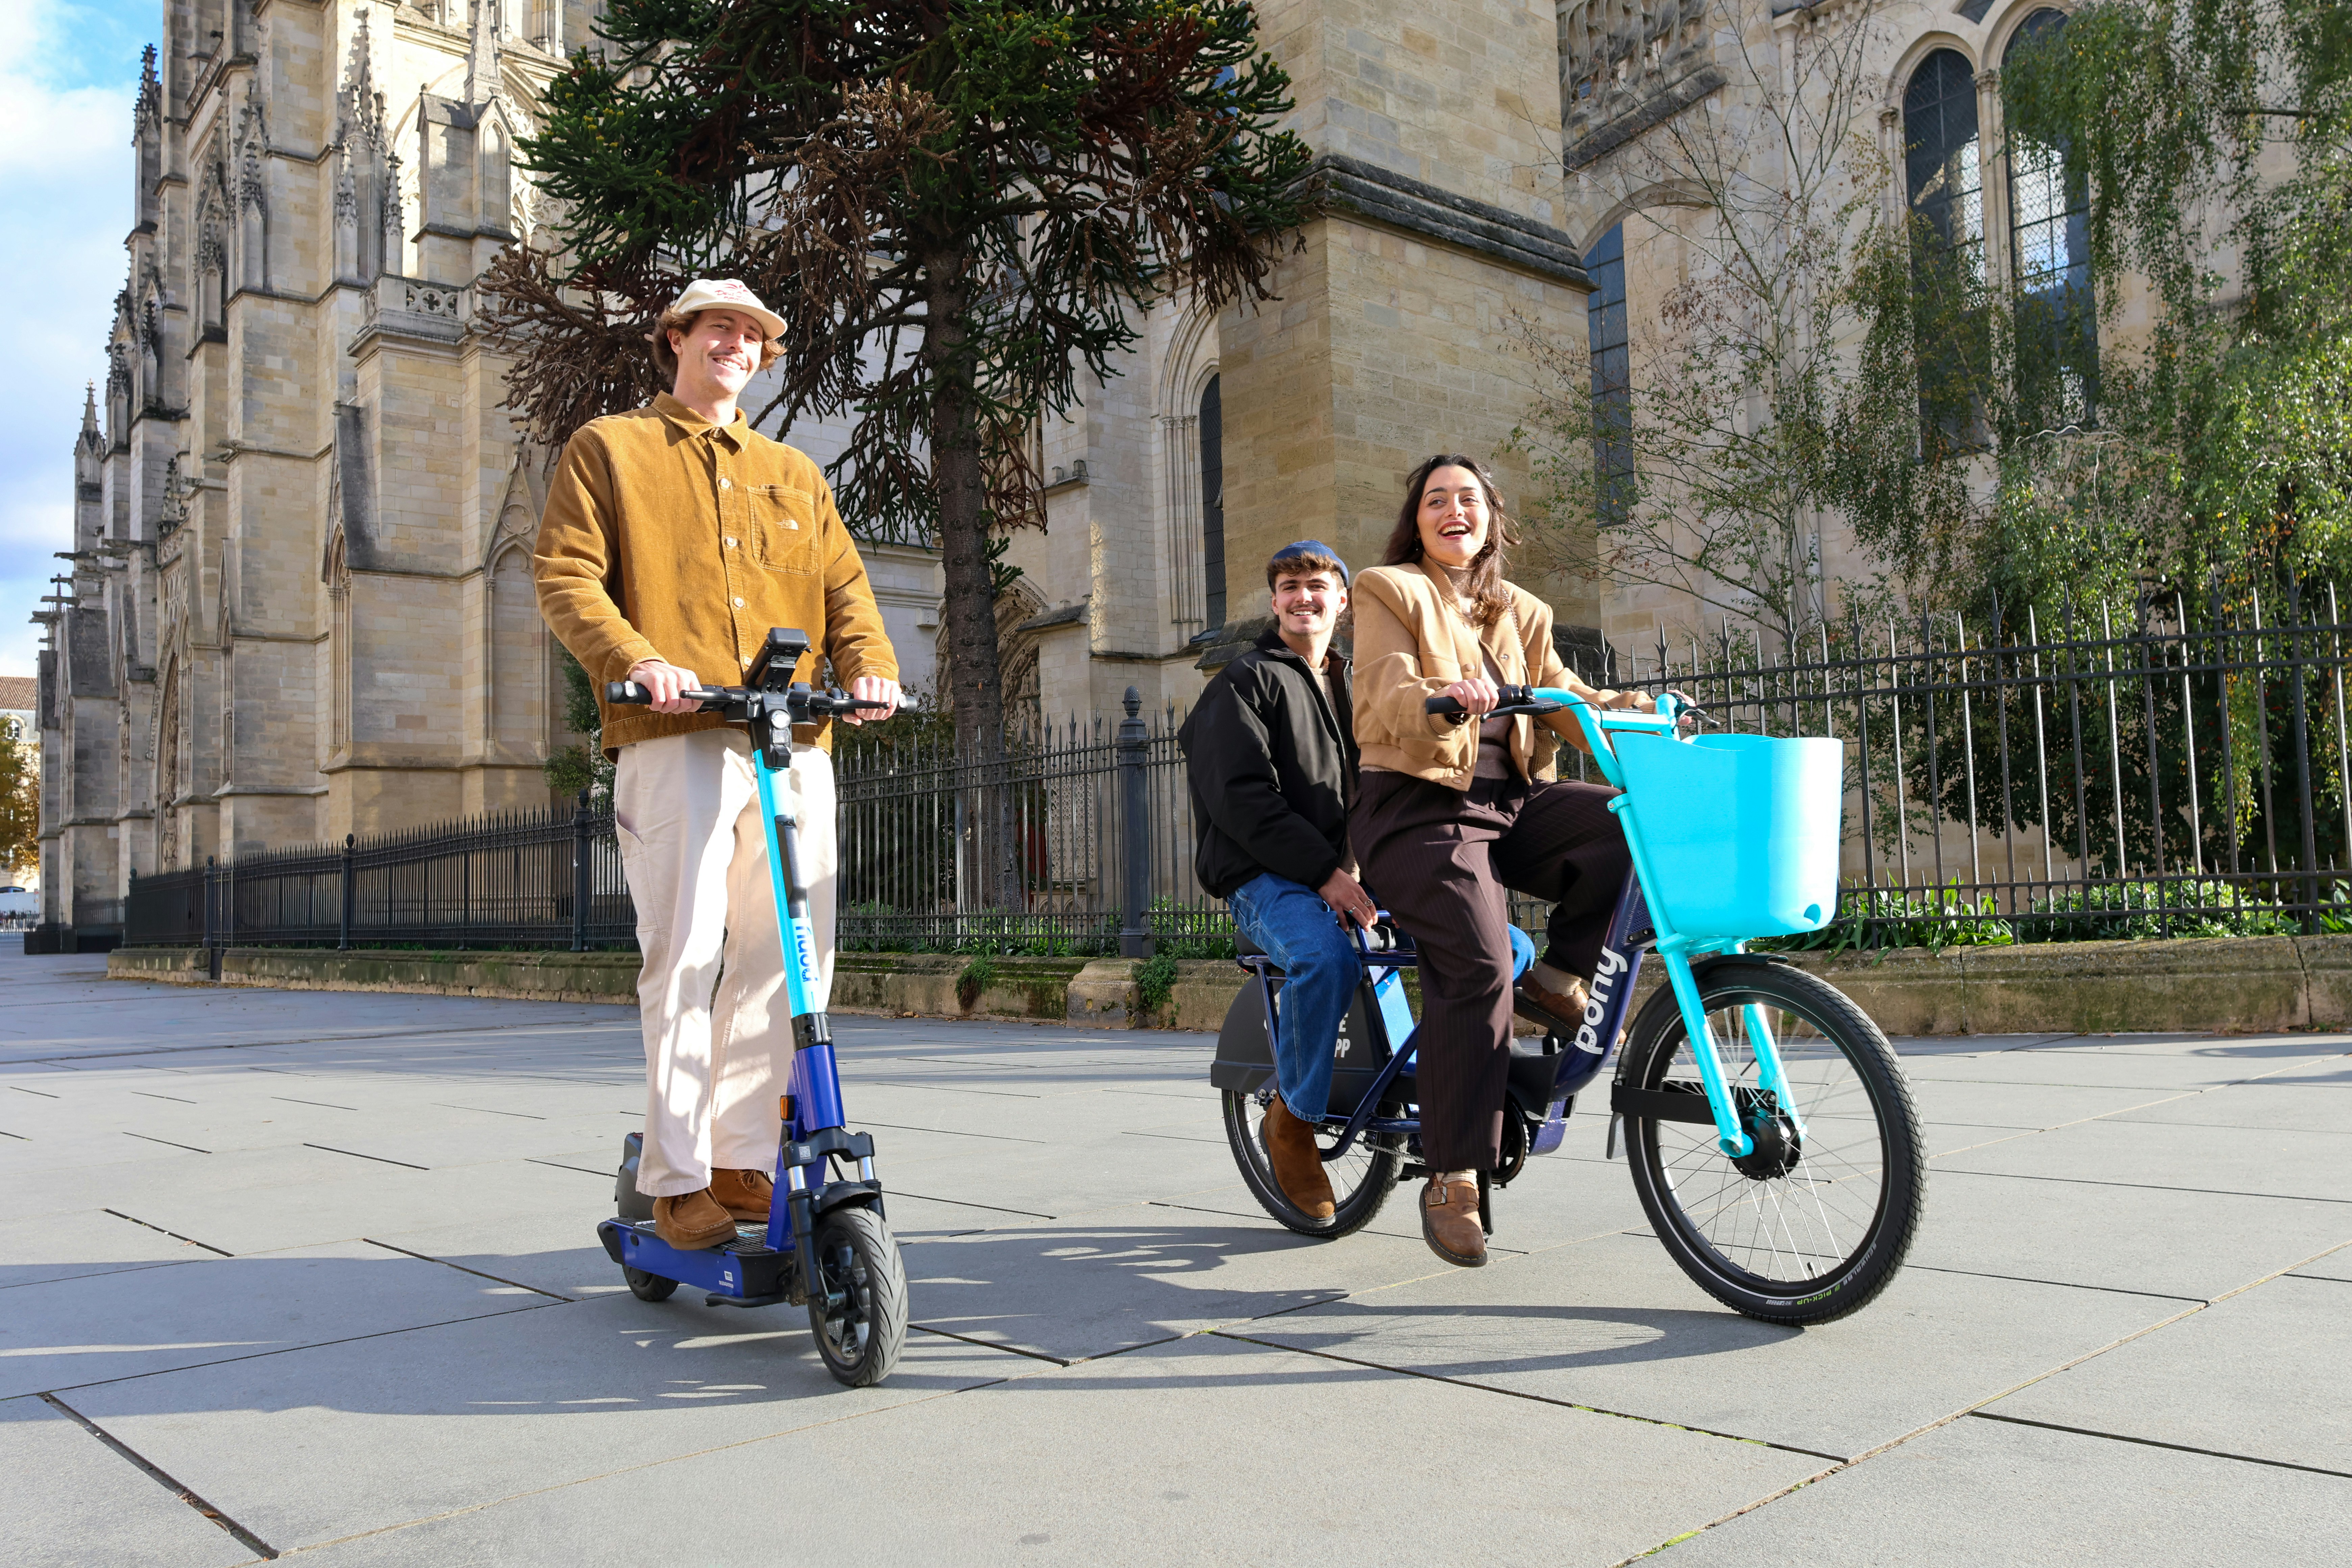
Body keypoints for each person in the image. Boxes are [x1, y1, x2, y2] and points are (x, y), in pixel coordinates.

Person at [535, 278, 902, 1251]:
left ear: (763, 358)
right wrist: (637, 659)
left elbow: (846, 589)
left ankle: (742, 1159)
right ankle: (675, 1179)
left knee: (791, 959)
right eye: (718, 328)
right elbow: (565, 573)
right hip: (677, 733)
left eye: (752, 335)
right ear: (678, 338)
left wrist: (870, 667)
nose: (736, 344)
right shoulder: (610, 448)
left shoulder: (793, 472)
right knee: (687, 953)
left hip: (794, 737)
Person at [1350, 454, 1658, 1268]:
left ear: (1491, 517)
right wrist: (1441, 698)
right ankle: (1453, 1171)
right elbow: (1384, 685)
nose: (1454, 510)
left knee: (1627, 827)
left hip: (1509, 805)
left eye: (1469, 499)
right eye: (1436, 500)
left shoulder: (1522, 610)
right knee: (1480, 962)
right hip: (1416, 809)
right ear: (1417, 520)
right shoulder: (1389, 589)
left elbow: (1570, 697)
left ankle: (1555, 981)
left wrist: (1639, 707)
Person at [1178, 541, 1374, 1223]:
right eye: (1289, 586)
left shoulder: (1355, 681)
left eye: (1316, 584)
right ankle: (1292, 1119)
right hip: (1263, 877)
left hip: (1340, 873)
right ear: (1274, 603)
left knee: (1490, 940)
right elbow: (1242, 801)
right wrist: (1326, 875)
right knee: (1325, 959)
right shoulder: (1243, 680)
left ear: (1342, 600)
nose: (1302, 596)